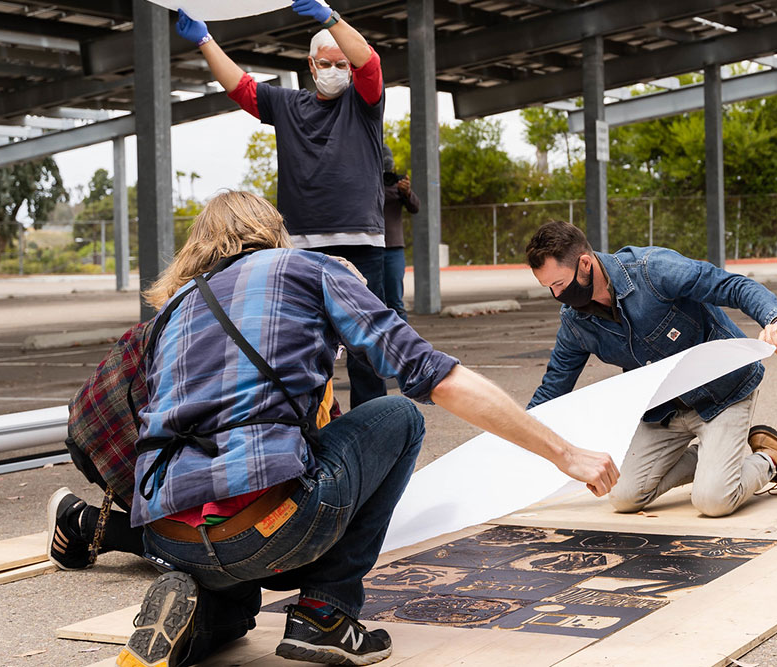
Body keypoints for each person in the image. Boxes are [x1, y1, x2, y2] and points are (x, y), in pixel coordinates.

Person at [114, 192, 618, 667]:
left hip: (168, 537)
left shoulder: (172, 309)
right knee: (398, 416)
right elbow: (435, 376)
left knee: (236, 609)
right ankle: (324, 612)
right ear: (272, 232)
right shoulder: (309, 269)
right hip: (268, 527)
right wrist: (565, 454)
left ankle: (198, 609)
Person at [524, 221, 777, 520]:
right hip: (664, 411)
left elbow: (729, 285)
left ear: (585, 264)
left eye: (559, 284)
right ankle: (715, 460)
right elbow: (554, 387)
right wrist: (513, 436)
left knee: (714, 501)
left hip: (723, 394)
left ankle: (772, 461)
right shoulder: (575, 322)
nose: (557, 295)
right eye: (549, 287)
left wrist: (776, 318)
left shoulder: (652, 270)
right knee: (623, 496)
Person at [175, 0, 389, 409]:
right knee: (303, 340)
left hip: (361, 241)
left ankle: (371, 421)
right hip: (301, 245)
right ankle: (313, 421)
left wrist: (331, 18)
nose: (334, 71)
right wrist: (204, 41)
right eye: (325, 63)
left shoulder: (364, 103)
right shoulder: (288, 105)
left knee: (366, 343)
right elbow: (240, 87)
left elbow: (370, 63)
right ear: (311, 65)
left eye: (341, 64)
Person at [379, 145, 417, 320]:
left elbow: (415, 207)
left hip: (394, 247)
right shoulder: (368, 184)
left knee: (395, 301)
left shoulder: (398, 186)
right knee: (373, 299)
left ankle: (403, 337)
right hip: (372, 246)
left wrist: (406, 193)